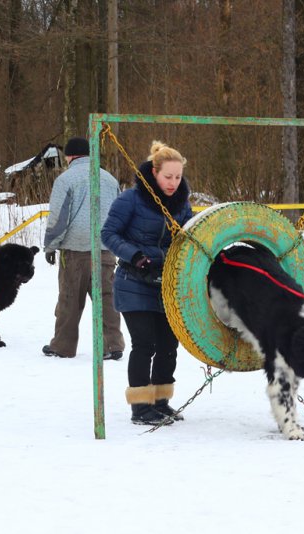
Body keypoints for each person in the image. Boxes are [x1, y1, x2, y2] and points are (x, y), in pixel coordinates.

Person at [101, 140, 193, 425]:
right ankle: (140, 408)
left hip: (166, 284)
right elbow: (108, 234)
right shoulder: (131, 199)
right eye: (168, 176)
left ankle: (161, 402)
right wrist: (135, 254)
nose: (173, 183)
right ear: (154, 172)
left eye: (178, 177)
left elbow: (188, 235)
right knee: (145, 344)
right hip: (134, 281)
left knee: (168, 345)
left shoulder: (181, 203)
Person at [41, 136, 125, 360]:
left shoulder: (66, 179)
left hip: (75, 250)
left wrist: (50, 246)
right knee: (107, 299)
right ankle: (113, 345)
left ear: (69, 156)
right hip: (106, 249)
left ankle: (63, 346)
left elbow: (59, 218)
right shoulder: (108, 179)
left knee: (70, 299)